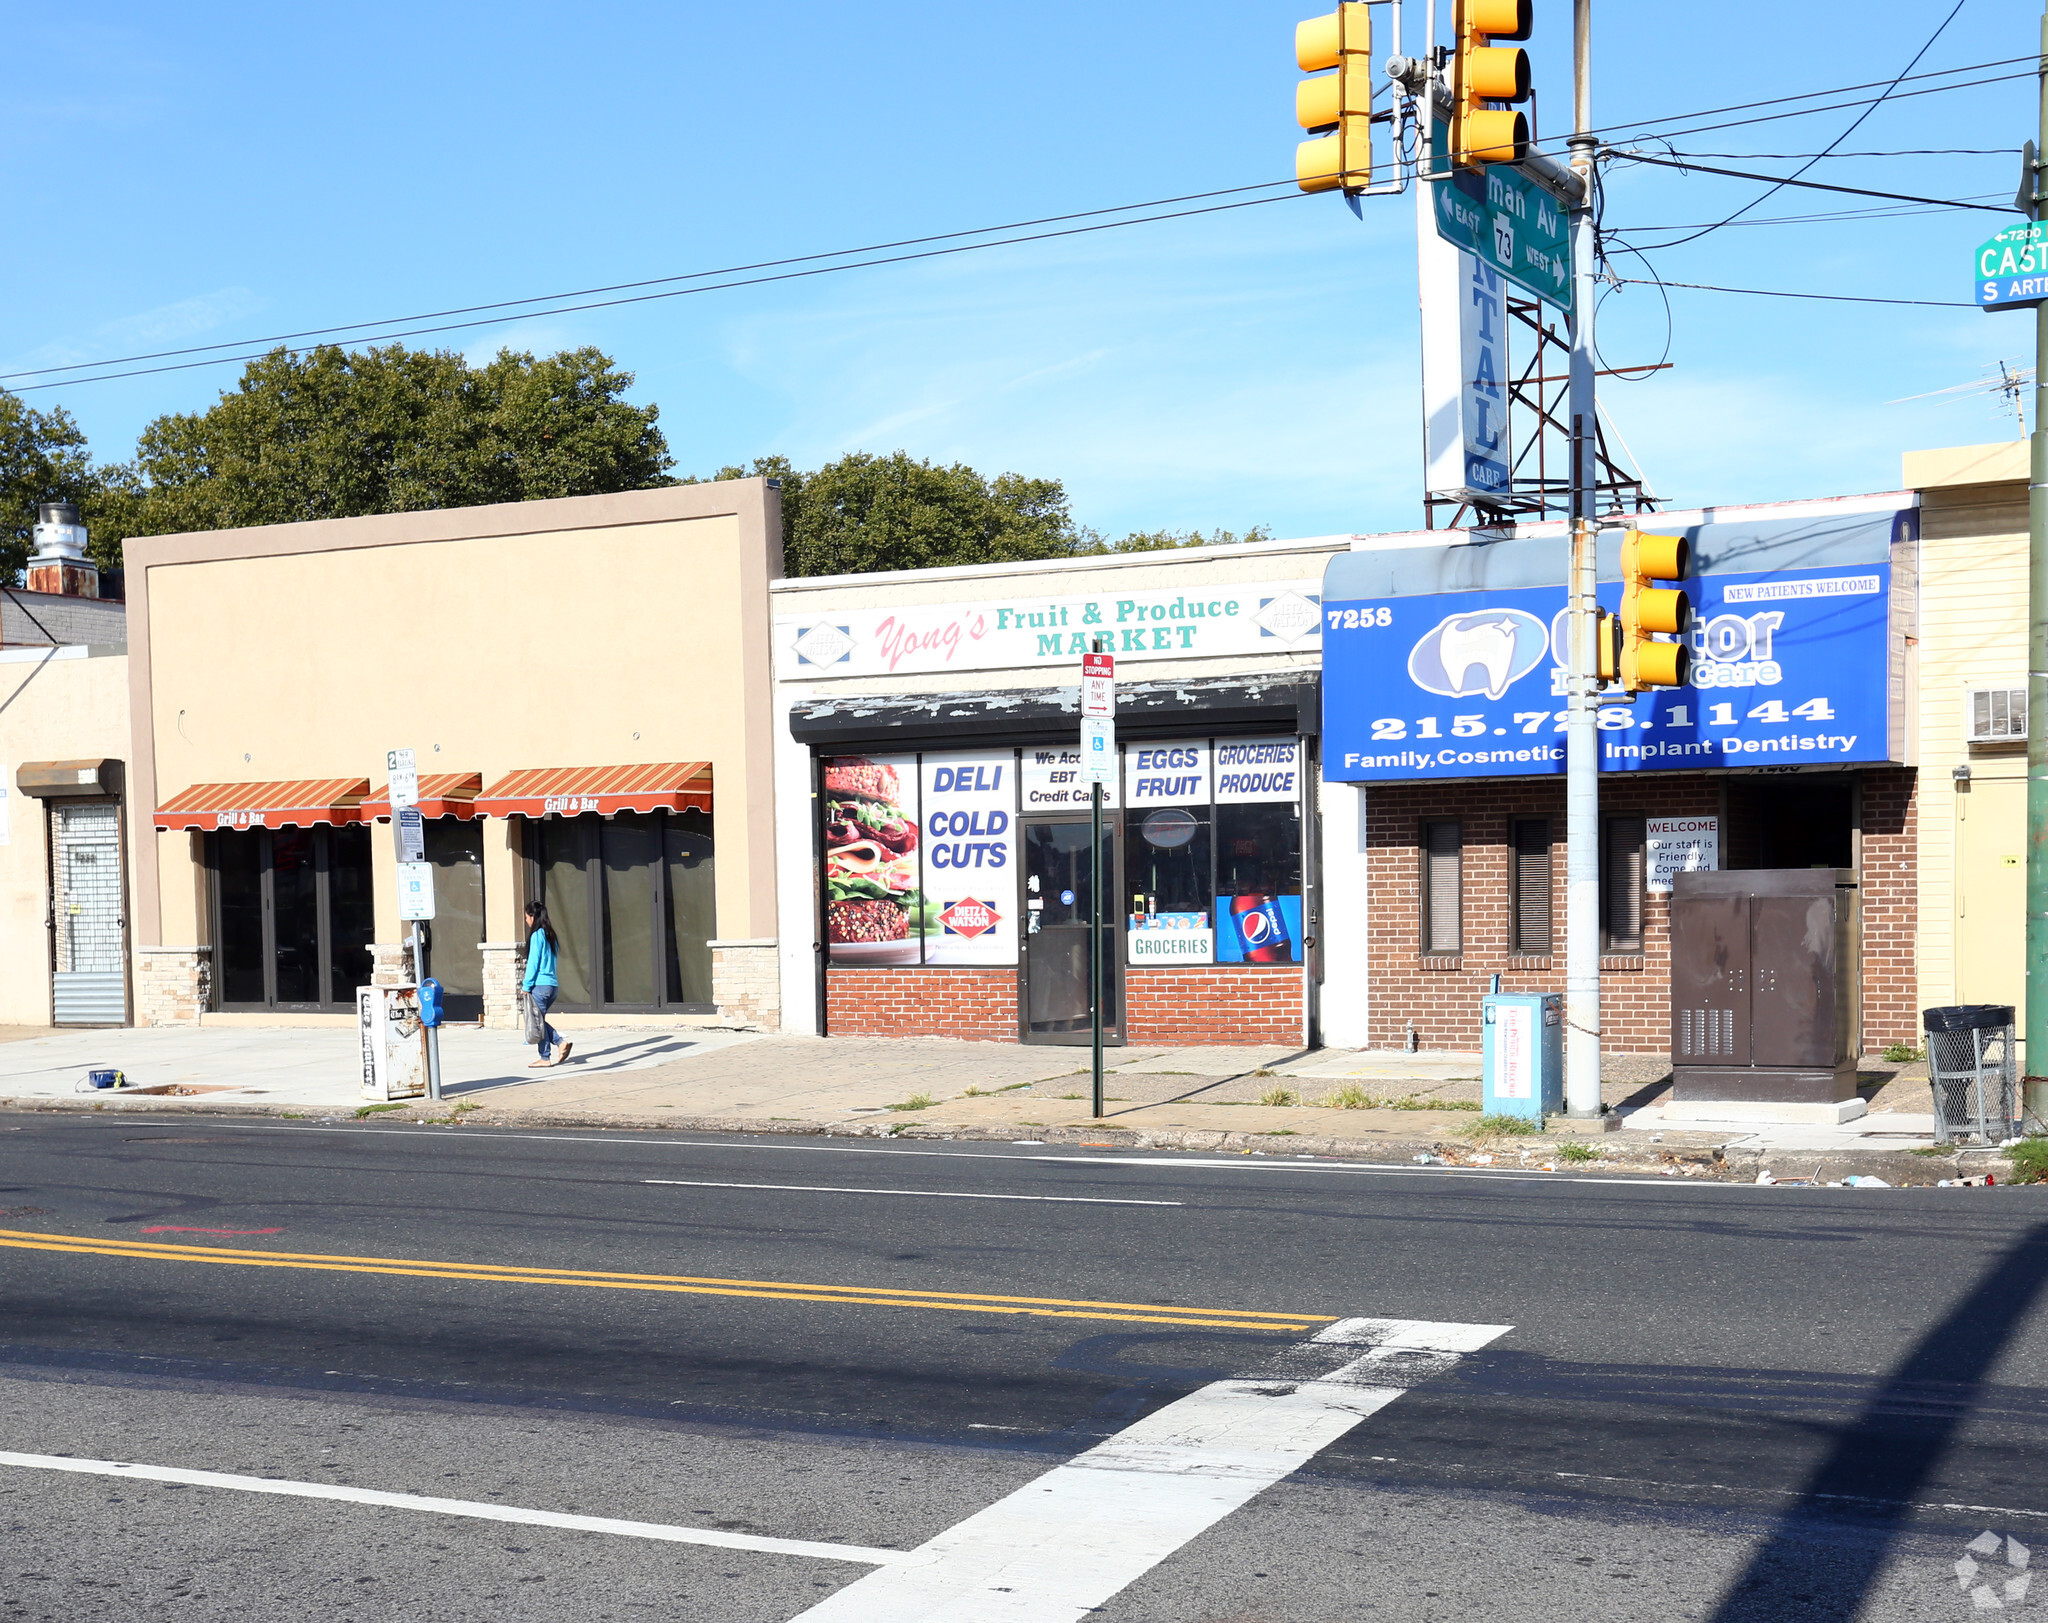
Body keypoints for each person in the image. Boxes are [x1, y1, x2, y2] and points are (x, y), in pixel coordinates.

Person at [522, 902, 573, 1067]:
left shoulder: (537, 936)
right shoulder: (551, 935)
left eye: (527, 917)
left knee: (537, 1023)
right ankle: (554, 1048)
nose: (526, 920)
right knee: (540, 1021)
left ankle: (548, 1054)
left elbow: (533, 963)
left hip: (540, 985)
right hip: (552, 985)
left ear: (532, 916)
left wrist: (526, 985)